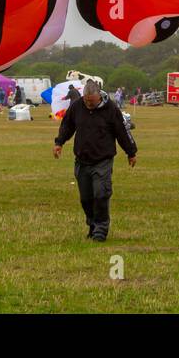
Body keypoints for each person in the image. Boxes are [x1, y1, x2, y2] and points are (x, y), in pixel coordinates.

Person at [54, 80, 137, 242]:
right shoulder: (77, 106)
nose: (88, 104)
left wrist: (131, 152)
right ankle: (92, 224)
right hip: (82, 160)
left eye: (91, 101)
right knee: (86, 198)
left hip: (103, 160)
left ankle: (101, 228)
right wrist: (59, 143)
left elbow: (122, 131)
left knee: (101, 194)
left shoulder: (111, 108)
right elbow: (67, 125)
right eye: (86, 101)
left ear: (99, 96)